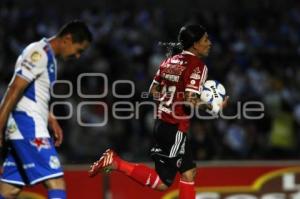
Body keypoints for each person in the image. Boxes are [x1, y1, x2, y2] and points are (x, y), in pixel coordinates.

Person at [89, 24, 226, 199]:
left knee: (189, 172)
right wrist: (213, 106)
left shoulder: (169, 61)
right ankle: (116, 163)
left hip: (161, 123)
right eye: (205, 39)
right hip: (175, 127)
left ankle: (116, 163)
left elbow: (153, 91)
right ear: (195, 44)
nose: (210, 43)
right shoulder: (198, 66)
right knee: (164, 182)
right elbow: (190, 100)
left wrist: (174, 95)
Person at [0, 20, 92, 199]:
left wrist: (50, 119)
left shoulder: (49, 58)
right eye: (79, 50)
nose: (78, 56)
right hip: (27, 125)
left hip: (27, 125)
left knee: (8, 190)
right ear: (67, 39)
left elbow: (31, 93)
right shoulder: (38, 53)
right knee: (56, 182)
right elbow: (15, 88)